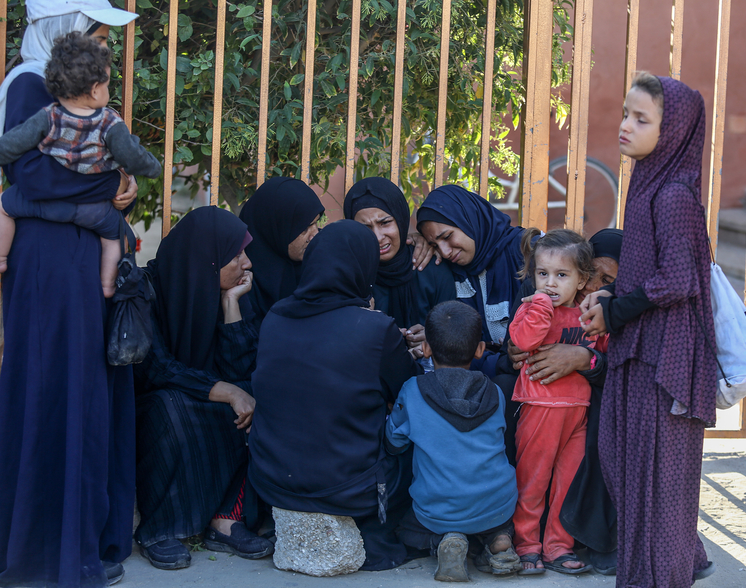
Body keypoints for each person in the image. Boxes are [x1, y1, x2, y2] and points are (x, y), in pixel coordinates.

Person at [0, 2, 140, 586]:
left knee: (79, 392)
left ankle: (78, 540)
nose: (106, 42)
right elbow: (30, 176)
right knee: (59, 391)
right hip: (52, 264)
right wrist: (114, 182)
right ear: (64, 28)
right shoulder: (29, 82)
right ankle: (51, 548)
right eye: (97, 30)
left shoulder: (54, 84)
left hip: (71, 257)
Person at [580, 73, 716, 587]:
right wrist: (613, 300)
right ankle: (679, 559)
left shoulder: (674, 196)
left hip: (668, 360)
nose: (625, 126)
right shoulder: (649, 182)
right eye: (625, 113)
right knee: (628, 468)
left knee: (659, 487)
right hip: (643, 348)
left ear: (673, 129)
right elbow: (651, 271)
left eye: (642, 119)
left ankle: (666, 573)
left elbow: (679, 279)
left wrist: (618, 310)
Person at [248, 220, 422, 571]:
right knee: (417, 435)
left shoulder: (275, 317)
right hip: (347, 491)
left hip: (274, 484)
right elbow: (405, 390)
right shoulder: (376, 328)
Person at [133, 206, 274, 570]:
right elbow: (157, 369)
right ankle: (161, 528)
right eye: (236, 255)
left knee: (254, 398)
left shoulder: (235, 292)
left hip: (204, 395)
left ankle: (226, 519)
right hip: (157, 401)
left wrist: (230, 307)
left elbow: (244, 370)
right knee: (172, 408)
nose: (247, 263)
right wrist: (226, 390)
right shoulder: (147, 290)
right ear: (207, 261)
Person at [0, 31, 160, 296]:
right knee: (113, 238)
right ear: (96, 89)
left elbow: (12, 145)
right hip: (94, 210)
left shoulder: (47, 117)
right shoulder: (109, 122)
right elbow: (131, 155)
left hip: (45, 207)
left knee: (4, 208)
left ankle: (1, 258)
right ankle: (107, 285)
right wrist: (149, 169)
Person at [506, 228, 622, 574]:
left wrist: (587, 352)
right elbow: (525, 340)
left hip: (578, 414)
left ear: (582, 279)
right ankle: (527, 545)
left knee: (565, 484)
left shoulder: (588, 315)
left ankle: (558, 546)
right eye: (542, 274)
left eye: (561, 275)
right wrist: (540, 304)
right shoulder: (533, 308)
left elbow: (602, 354)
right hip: (540, 410)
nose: (550, 284)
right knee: (533, 480)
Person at [386, 301, 521, 582]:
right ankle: (500, 541)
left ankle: (446, 543)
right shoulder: (495, 393)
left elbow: (394, 443)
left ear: (426, 349)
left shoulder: (413, 391)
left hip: (438, 509)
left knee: (406, 527)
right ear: (480, 350)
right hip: (497, 505)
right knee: (495, 518)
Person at [416, 185, 526, 376]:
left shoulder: (525, 252)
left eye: (448, 236)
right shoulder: (447, 268)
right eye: (434, 245)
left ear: (469, 219)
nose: (445, 251)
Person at [344, 177, 456, 359]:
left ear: (401, 219)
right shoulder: (350, 274)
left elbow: (454, 330)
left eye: (385, 223)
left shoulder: (431, 268)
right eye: (364, 227)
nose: (377, 237)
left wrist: (436, 337)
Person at [238, 177, 325, 329]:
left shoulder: (323, 265)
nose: (315, 235)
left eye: (317, 223)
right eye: (304, 228)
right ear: (273, 229)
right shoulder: (241, 280)